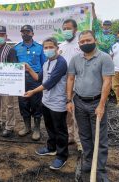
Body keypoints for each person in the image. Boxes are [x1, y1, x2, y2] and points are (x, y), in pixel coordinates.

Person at [67, 30, 114, 182]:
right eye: (82, 42)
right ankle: (88, 161)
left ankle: (99, 170)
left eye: (88, 40)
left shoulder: (105, 58)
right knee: (85, 135)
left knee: (99, 138)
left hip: (96, 102)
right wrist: (69, 100)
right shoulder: (75, 59)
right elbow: (71, 79)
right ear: (79, 44)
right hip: (79, 102)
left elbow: (107, 82)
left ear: (95, 40)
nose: (85, 43)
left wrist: (101, 105)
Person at [25, 37, 69, 170]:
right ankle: (51, 148)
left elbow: (49, 83)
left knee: (60, 130)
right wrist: (28, 68)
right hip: (47, 101)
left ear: (57, 48)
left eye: (51, 47)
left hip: (58, 102)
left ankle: (62, 156)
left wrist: (32, 91)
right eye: (46, 47)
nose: (48, 50)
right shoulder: (46, 63)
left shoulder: (61, 63)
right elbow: (38, 78)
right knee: (49, 126)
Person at [14, 25, 46, 141]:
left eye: (27, 32)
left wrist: (41, 79)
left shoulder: (39, 48)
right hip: (20, 79)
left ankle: (36, 128)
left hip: (35, 78)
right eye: (23, 32)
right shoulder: (16, 48)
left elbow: (44, 65)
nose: (25, 34)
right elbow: (13, 65)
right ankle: (27, 127)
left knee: (36, 103)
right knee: (23, 103)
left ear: (32, 33)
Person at [58, 19, 82, 151]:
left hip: (78, 85)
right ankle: (70, 136)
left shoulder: (80, 46)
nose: (66, 31)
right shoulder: (60, 47)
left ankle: (80, 142)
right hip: (63, 85)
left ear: (75, 29)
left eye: (68, 28)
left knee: (77, 114)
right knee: (67, 113)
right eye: (64, 28)